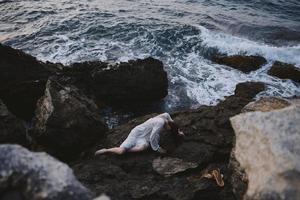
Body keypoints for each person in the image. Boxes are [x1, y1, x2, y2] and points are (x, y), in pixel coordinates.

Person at [95, 112, 184, 155]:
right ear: (168, 125)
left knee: (144, 147)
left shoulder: (166, 117)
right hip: (137, 133)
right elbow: (153, 137)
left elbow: (171, 120)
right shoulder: (160, 123)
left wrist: (178, 132)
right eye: (168, 129)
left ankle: (127, 150)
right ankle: (107, 150)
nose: (167, 130)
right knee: (121, 151)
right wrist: (158, 149)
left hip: (144, 137)